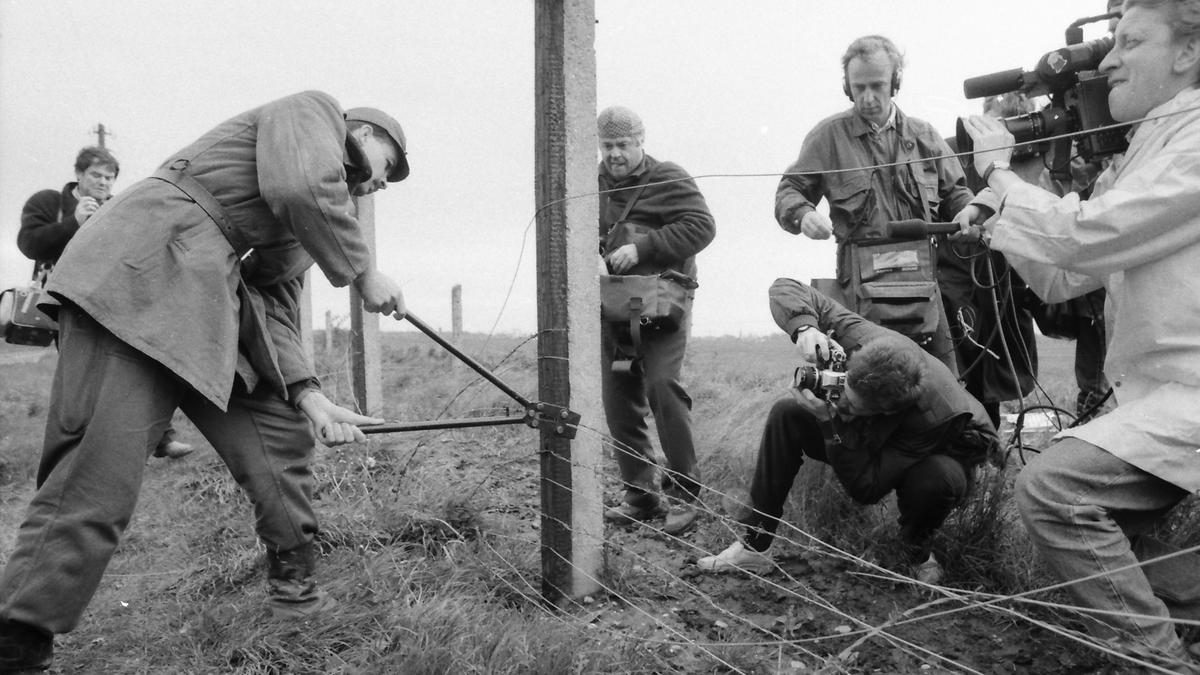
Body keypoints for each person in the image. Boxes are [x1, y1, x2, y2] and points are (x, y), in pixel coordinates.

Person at [0, 91, 411, 672]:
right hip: (136, 280)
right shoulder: (313, 113)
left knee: (280, 437)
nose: (381, 186)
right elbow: (300, 186)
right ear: (362, 133)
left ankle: (296, 596)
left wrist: (310, 395)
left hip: (206, 313)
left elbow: (271, 303)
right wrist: (363, 270)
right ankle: (20, 637)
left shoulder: (302, 226)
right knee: (99, 473)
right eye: (387, 166)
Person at [960, 0, 1200, 666]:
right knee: (1167, 588)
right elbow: (1066, 276)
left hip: (1189, 394)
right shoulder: (1155, 139)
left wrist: (1001, 175)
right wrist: (1001, 213)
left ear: (1188, 54)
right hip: (1163, 394)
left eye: (1131, 42)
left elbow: (1085, 236)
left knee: (1055, 489)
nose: (1112, 59)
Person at [696, 278, 998, 584]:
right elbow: (785, 286)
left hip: (951, 447)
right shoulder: (859, 337)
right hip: (888, 425)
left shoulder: (933, 416)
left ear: (886, 411)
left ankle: (916, 554)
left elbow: (867, 487)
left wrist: (830, 423)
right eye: (844, 391)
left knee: (935, 478)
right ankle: (754, 546)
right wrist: (805, 327)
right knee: (787, 413)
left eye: (852, 407)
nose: (842, 405)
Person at [774, 35, 975, 376]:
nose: (868, 97)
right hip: (860, 295)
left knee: (945, 384)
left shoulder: (925, 137)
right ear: (847, 88)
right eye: (859, 87)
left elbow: (957, 194)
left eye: (877, 86)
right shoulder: (828, 138)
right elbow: (789, 190)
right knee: (868, 384)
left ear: (895, 82)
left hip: (923, 288)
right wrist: (803, 213)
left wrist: (970, 212)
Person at [16, 145, 194, 459]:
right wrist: (74, 222)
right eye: (96, 175)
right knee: (81, 381)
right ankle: (79, 449)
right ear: (79, 175)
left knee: (142, 363)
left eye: (109, 177)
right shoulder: (48, 202)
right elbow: (29, 244)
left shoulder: (120, 206)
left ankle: (161, 438)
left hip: (115, 302)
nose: (103, 183)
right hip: (66, 306)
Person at [597, 105, 716, 536]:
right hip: (617, 308)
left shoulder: (668, 177)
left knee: (663, 388)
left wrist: (643, 247)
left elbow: (702, 227)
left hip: (663, 306)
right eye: (607, 145)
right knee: (619, 396)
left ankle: (684, 495)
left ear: (641, 141)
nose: (614, 154)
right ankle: (640, 496)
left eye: (623, 145)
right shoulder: (589, 184)